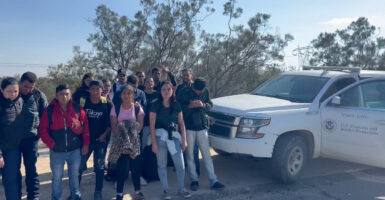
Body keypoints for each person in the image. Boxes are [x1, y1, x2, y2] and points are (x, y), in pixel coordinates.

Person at [39, 84, 90, 200]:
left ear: (70, 95)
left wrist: (85, 144)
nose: (64, 97)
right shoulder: (49, 111)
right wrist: (51, 144)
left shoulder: (77, 108)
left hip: (75, 150)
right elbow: (42, 130)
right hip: (57, 151)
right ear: (56, 96)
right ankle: (56, 197)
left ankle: (75, 196)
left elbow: (85, 127)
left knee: (74, 176)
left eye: (67, 94)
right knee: (57, 177)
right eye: (61, 94)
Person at [177, 78, 225, 191]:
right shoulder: (183, 92)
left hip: (202, 126)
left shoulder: (205, 91)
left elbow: (210, 104)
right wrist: (189, 106)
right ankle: (194, 180)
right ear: (193, 87)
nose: (199, 93)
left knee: (207, 155)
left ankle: (213, 180)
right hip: (188, 127)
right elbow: (177, 108)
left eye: (201, 91)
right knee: (190, 156)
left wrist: (203, 105)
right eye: (197, 91)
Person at [150, 81, 191, 200]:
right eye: (164, 89)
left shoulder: (176, 104)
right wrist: (153, 143)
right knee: (161, 164)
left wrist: (184, 140)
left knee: (180, 164)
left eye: (169, 89)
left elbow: (181, 123)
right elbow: (152, 125)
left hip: (173, 136)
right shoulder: (155, 104)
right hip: (160, 137)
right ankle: (165, 190)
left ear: (172, 90)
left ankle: (180, 188)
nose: (166, 91)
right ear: (160, 91)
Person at [0, 77, 35, 200]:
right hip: (2, 149)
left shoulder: (20, 101)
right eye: (9, 91)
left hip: (12, 149)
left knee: (12, 180)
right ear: (1, 90)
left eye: (15, 91)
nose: (13, 94)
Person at [108, 85, 145, 200]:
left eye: (129, 93)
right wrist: (124, 137)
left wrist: (131, 134)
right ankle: (119, 193)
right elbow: (114, 127)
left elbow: (140, 126)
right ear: (120, 95)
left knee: (136, 168)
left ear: (133, 95)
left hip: (134, 143)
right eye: (124, 93)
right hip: (121, 143)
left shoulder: (138, 108)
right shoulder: (116, 108)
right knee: (122, 169)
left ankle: (137, 191)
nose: (126, 95)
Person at [78, 81, 113, 200]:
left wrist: (104, 135)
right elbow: (76, 117)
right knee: (78, 166)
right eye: (92, 89)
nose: (94, 91)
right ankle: (75, 191)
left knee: (100, 167)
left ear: (102, 90)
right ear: (89, 90)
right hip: (85, 141)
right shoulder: (83, 101)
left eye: (97, 89)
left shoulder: (107, 104)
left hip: (100, 141)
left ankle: (98, 191)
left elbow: (111, 123)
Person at [19, 72, 48, 200]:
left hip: (31, 140)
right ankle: (16, 194)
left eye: (31, 87)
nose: (28, 90)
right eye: (25, 86)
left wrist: (40, 134)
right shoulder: (12, 92)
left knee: (31, 169)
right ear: (20, 83)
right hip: (13, 141)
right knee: (13, 170)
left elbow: (45, 117)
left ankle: (34, 195)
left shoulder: (39, 96)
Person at [175, 69, 200, 176]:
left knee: (194, 148)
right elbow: (177, 103)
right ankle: (184, 166)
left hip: (194, 121)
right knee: (183, 145)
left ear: (191, 76)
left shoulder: (195, 87)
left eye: (187, 75)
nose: (185, 77)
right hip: (182, 120)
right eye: (184, 75)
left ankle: (196, 170)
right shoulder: (180, 88)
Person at [141, 77, 159, 182]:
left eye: (151, 81)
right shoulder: (141, 94)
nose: (150, 83)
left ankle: (154, 174)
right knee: (144, 150)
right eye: (147, 81)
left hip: (156, 126)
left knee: (154, 151)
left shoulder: (158, 94)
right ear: (144, 83)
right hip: (145, 126)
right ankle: (143, 173)